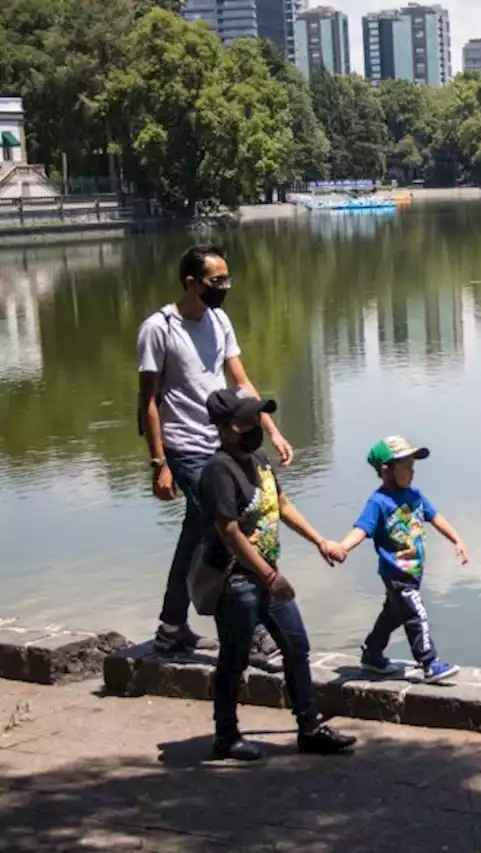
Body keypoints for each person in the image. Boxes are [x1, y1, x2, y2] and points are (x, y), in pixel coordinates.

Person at [137, 245, 292, 659]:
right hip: (184, 448)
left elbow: (240, 381)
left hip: (219, 443)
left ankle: (171, 628)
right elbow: (148, 401)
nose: (225, 287)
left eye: (227, 279)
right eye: (216, 281)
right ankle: (254, 630)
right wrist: (159, 463)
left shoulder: (219, 320)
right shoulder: (159, 328)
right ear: (191, 282)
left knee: (196, 535)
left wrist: (271, 430)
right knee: (230, 526)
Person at [199, 387, 355, 761]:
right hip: (237, 581)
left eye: (257, 419)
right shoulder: (218, 471)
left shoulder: (259, 459)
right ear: (226, 427)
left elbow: (281, 504)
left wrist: (319, 541)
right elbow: (230, 533)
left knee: (296, 646)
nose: (256, 426)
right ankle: (226, 736)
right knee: (234, 659)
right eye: (248, 420)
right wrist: (270, 577)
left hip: (268, 577)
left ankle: (310, 729)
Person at [337, 436, 470, 684]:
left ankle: (373, 654)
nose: (412, 472)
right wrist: (343, 546)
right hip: (396, 573)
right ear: (386, 470)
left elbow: (436, 517)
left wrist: (456, 539)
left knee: (393, 615)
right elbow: (362, 529)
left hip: (414, 572)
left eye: (413, 467)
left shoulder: (415, 495)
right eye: (406, 467)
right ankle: (429, 663)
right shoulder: (378, 502)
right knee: (415, 615)